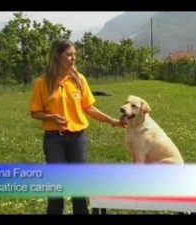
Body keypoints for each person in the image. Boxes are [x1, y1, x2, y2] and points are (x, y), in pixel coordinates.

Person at [29, 39, 125, 215]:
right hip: (53, 139)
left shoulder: (79, 80)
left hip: (78, 138)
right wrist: (50, 117)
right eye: (69, 55)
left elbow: (89, 107)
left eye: (75, 55)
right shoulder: (41, 83)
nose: (73, 58)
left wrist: (111, 120)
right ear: (57, 57)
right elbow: (35, 112)